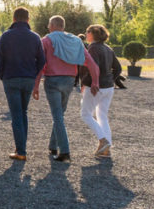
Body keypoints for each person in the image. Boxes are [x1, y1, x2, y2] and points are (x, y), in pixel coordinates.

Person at [33, 15, 99, 162]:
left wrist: (36, 85)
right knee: (59, 115)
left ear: (52, 25)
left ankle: (65, 151)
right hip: (69, 81)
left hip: (52, 81)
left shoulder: (46, 40)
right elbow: (91, 63)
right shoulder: (76, 41)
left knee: (57, 116)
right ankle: (52, 145)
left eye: (49, 25)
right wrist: (95, 82)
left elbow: (40, 65)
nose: (48, 28)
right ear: (63, 26)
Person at [0, 7, 46, 161]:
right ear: (28, 19)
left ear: (14, 19)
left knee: (16, 114)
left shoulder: (6, 36)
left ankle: (21, 150)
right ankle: (21, 146)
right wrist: (33, 74)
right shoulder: (35, 37)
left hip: (11, 77)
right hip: (28, 78)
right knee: (23, 113)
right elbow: (42, 60)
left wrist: (2, 75)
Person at [80, 24, 118, 158]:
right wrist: (109, 79)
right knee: (102, 116)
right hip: (108, 87)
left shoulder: (93, 48)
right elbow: (118, 68)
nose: (85, 33)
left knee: (85, 114)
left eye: (87, 31)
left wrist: (85, 83)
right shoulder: (108, 49)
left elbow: (92, 67)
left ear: (93, 34)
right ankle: (106, 149)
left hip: (96, 87)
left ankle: (103, 141)